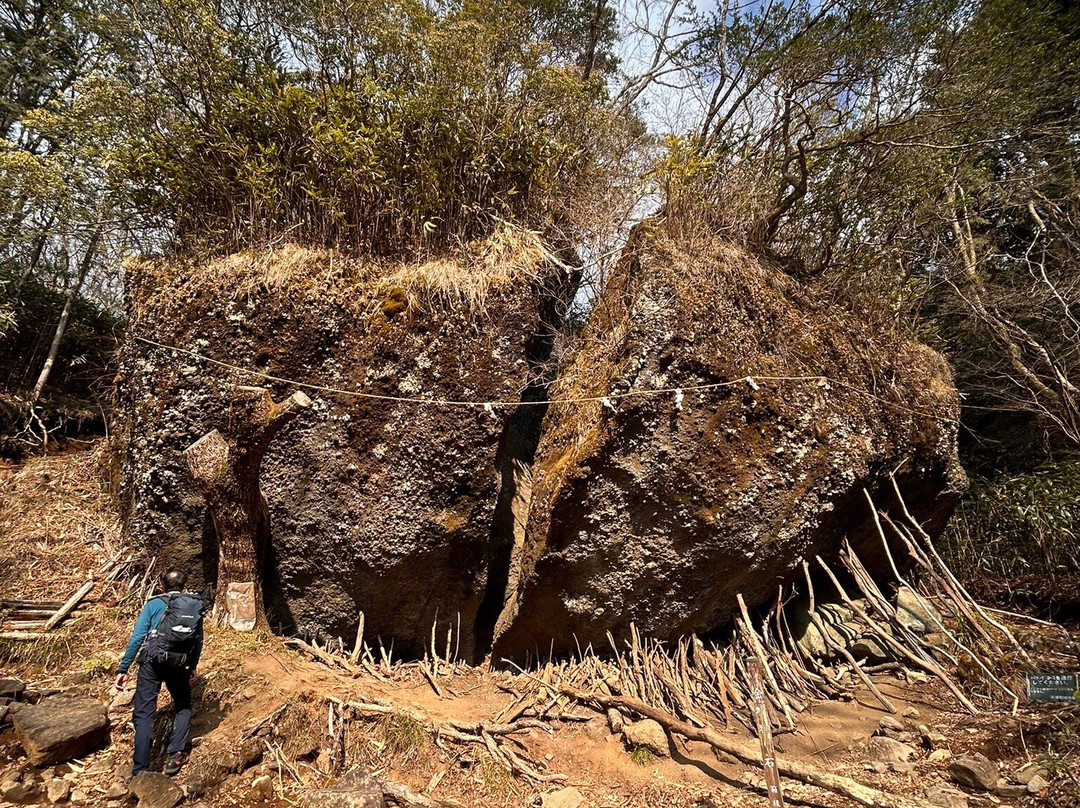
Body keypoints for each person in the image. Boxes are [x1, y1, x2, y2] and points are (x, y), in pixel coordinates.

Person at [115, 569, 205, 777]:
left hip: (151, 661)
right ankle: (174, 756)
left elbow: (138, 637)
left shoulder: (153, 605)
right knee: (183, 705)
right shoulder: (192, 606)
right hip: (179, 662)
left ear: (162, 586)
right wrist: (192, 665)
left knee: (144, 713)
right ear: (183, 586)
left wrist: (124, 668)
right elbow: (198, 640)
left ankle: (140, 770)